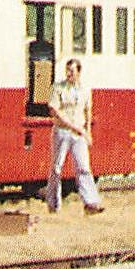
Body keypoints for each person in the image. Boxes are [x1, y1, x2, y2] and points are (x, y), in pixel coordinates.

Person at [46, 57, 105, 215]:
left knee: (83, 167)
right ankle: (53, 204)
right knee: (57, 169)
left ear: (79, 72)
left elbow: (88, 111)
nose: (69, 74)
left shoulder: (85, 90)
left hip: (79, 134)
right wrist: (75, 128)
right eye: (67, 70)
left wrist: (88, 132)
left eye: (72, 71)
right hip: (62, 132)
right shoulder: (58, 88)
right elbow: (54, 111)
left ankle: (90, 203)